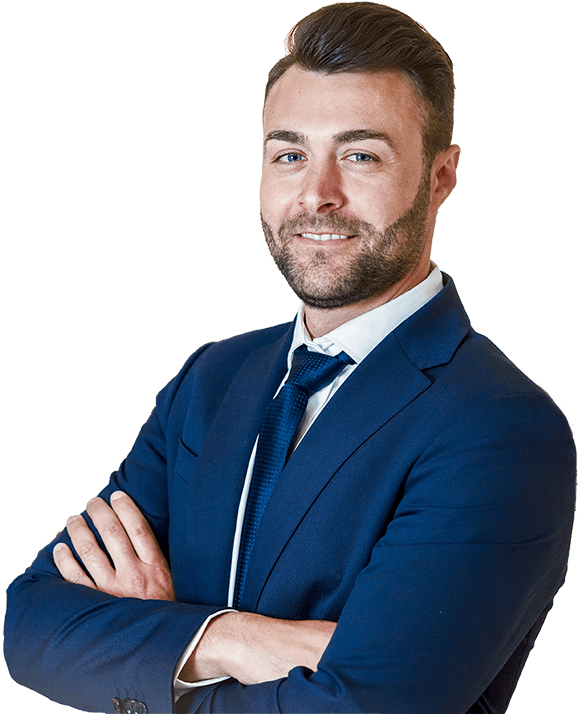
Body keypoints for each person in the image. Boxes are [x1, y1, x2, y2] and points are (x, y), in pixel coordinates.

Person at [5, 3, 576, 713]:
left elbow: (369, 709)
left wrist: (150, 647)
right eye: (289, 154)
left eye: (361, 155)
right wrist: (228, 638)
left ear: (441, 176)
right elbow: (31, 622)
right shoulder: (211, 381)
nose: (317, 194)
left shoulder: (500, 429)